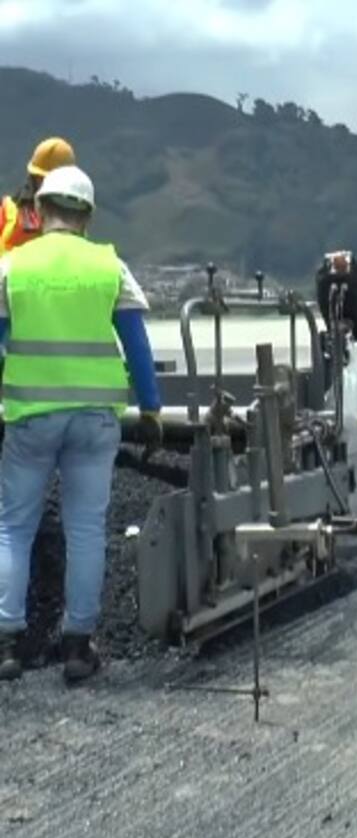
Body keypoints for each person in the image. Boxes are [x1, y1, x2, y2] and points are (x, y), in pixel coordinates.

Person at [0, 165, 163, 684]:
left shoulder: (12, 266)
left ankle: (7, 643)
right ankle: (77, 645)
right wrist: (154, 409)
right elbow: (137, 344)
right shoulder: (108, 265)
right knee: (87, 527)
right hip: (95, 419)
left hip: (29, 416)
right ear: (87, 216)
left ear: (40, 210)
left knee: (13, 526)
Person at [1, 137, 77, 254]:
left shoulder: (77, 218)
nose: (47, 184)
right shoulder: (8, 212)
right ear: (33, 178)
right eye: (42, 178)